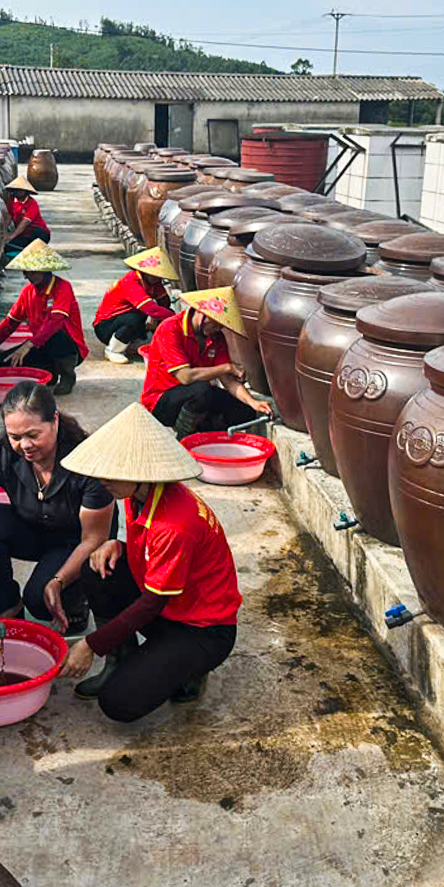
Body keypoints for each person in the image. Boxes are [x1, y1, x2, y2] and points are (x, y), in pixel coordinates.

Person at [58, 403, 241, 720]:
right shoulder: (136, 495)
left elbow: (151, 605)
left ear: (141, 472)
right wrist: (117, 543)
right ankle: (123, 657)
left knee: (119, 703)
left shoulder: (175, 525)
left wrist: (91, 644)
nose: (102, 480)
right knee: (97, 567)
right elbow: (145, 550)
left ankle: (189, 669)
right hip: (171, 605)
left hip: (201, 629)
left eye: (111, 472)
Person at [0, 382, 113, 635]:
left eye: (33, 435)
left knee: (40, 600)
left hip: (77, 541)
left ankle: (77, 605)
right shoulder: (8, 454)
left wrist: (57, 582)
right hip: (36, 527)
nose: (24, 445)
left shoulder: (87, 462)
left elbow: (93, 539)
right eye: (15, 437)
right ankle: (8, 608)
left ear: (55, 420)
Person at [141, 286, 272, 439]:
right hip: (161, 401)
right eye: (215, 323)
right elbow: (185, 376)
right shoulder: (170, 329)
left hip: (195, 396)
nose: (217, 329)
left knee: (245, 412)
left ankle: (204, 431)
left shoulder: (216, 337)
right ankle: (183, 438)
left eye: (221, 326)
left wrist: (252, 402)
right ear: (200, 312)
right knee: (203, 391)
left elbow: (228, 381)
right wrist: (227, 368)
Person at [0, 264, 90, 395]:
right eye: (25, 271)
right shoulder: (27, 292)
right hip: (41, 344)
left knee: (54, 334)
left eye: (32, 271)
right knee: (1, 362)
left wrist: (28, 345)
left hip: (68, 348)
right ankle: (50, 373)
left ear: (44, 269)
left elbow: (56, 321)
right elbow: (9, 324)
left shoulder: (63, 287)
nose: (27, 275)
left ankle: (67, 375)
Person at [93, 246, 178, 365]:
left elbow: (164, 303)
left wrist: (164, 317)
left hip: (128, 318)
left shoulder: (154, 282)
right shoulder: (130, 282)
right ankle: (113, 350)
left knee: (165, 313)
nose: (158, 277)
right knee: (134, 319)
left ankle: (163, 346)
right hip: (106, 326)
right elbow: (151, 309)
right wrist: (178, 318)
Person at [2, 175, 50, 263]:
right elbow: (9, 216)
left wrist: (12, 236)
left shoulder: (32, 203)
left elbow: (25, 223)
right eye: (16, 190)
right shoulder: (12, 201)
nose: (17, 192)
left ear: (26, 192)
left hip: (38, 233)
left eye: (20, 190)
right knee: (7, 248)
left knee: (34, 241)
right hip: (24, 235)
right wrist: (3, 232)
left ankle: (35, 252)